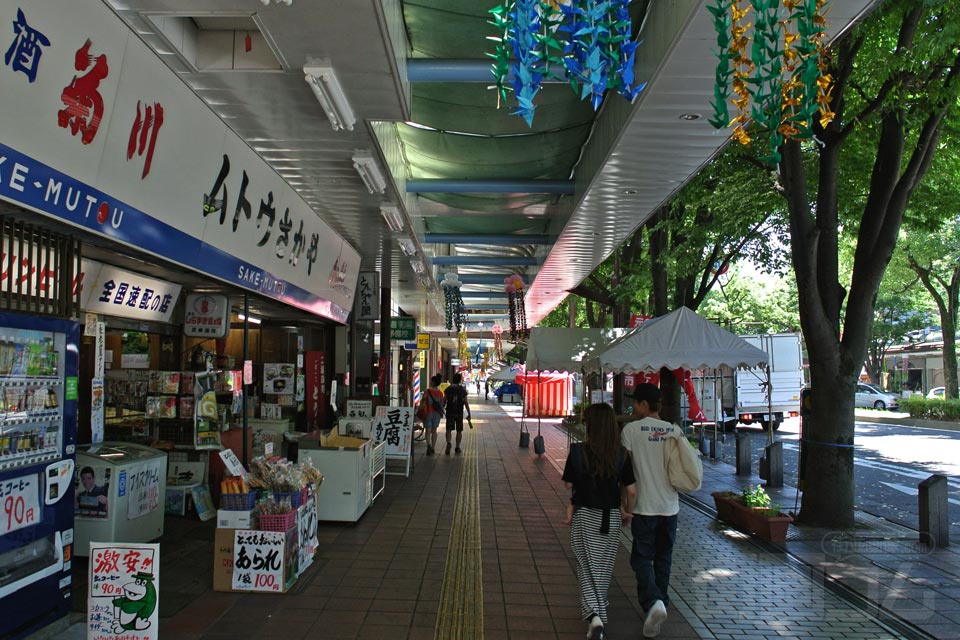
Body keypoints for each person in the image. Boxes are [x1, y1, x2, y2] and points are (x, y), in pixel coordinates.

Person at [561, 403, 636, 640]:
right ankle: (598, 616)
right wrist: (627, 511)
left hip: (584, 514)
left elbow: (569, 484)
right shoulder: (622, 454)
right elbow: (631, 491)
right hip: (611, 515)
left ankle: (594, 616)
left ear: (590, 426)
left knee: (586, 567)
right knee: (603, 568)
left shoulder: (577, 451)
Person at [620, 383, 683, 638]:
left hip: (644, 507)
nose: (633, 407)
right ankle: (658, 609)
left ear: (645, 404)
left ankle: (654, 602)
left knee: (641, 558)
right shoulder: (674, 431)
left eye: (636, 402)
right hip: (670, 507)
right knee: (663, 558)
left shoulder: (631, 430)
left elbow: (625, 470)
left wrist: (625, 503)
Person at [443, 373, 471, 455]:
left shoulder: (448, 389)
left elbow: (444, 400)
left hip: (450, 412)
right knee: (459, 430)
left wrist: (441, 409)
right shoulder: (462, 389)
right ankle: (457, 447)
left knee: (448, 429)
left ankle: (448, 443)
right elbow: (465, 402)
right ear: (459, 380)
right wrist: (469, 413)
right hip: (459, 413)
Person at [422, 374, 444, 455]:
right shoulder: (440, 393)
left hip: (428, 412)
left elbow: (423, 402)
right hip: (436, 414)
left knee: (428, 430)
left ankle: (429, 445)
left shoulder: (427, 391)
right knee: (434, 430)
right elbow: (441, 405)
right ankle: (433, 448)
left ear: (434, 382)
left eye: (431, 381)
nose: (430, 382)